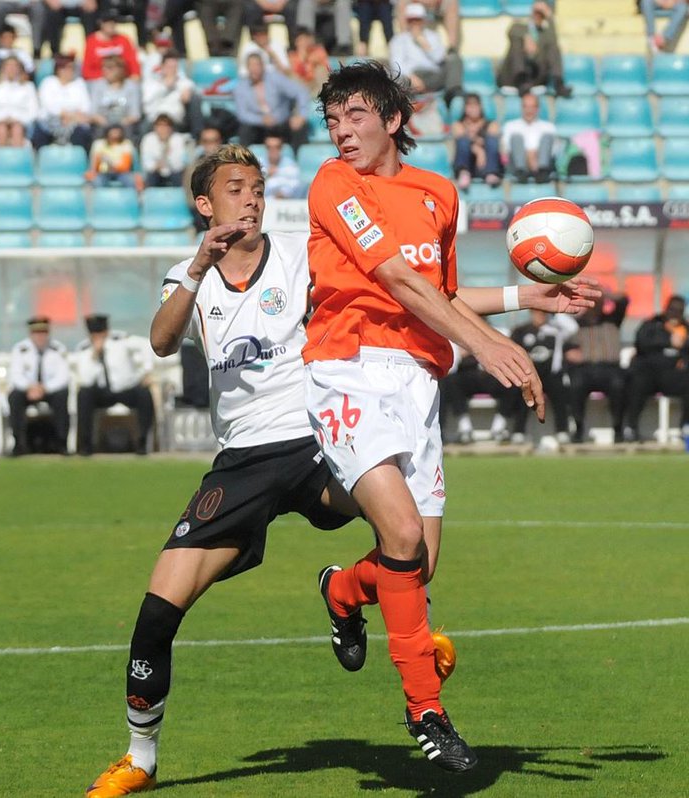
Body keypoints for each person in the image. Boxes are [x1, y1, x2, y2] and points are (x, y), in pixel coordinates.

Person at [83, 142, 593, 795]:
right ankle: (140, 757)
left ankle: (356, 603)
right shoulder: (190, 274)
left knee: (413, 553)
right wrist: (198, 268)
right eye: (236, 188)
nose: (252, 197)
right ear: (204, 202)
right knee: (158, 611)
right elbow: (160, 339)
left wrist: (534, 298)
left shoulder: (304, 249)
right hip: (242, 461)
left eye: (259, 187)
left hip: (320, 435)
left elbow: (422, 291)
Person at [303, 61, 547, 774]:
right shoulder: (332, 185)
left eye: (354, 116)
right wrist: (487, 346)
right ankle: (427, 712)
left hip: (416, 380)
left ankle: (341, 589)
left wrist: (523, 303)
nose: (341, 131)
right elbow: (398, 281)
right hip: (346, 369)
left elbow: (441, 292)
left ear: (394, 120)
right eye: (332, 119)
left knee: (417, 563)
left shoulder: (440, 192)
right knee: (403, 535)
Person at [621, 294, 689, 443]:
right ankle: (630, 427)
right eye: (672, 310)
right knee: (637, 381)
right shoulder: (653, 324)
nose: (675, 314)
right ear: (666, 309)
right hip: (651, 372)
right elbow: (641, 341)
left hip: (675, 375)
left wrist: (684, 345)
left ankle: (688, 426)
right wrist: (667, 340)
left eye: (679, 310)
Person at [75, 313, 155, 456]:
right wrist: (95, 355)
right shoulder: (84, 349)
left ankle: (142, 442)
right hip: (102, 392)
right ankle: (85, 446)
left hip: (126, 389)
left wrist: (147, 371)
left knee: (144, 394)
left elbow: (147, 345)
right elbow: (86, 379)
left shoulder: (121, 340)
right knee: (84, 394)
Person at [567, 289, 629, 444]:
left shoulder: (613, 320)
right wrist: (569, 353)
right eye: (591, 302)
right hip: (585, 369)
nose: (595, 306)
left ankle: (618, 428)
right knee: (575, 385)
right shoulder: (577, 324)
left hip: (610, 369)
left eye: (598, 303)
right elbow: (566, 346)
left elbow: (624, 300)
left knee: (619, 385)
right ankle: (578, 428)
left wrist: (603, 292)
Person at [508, 309, 577, 442]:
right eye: (536, 312)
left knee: (559, 396)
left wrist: (554, 310)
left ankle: (562, 431)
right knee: (524, 397)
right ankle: (518, 431)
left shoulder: (556, 330)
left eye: (542, 312)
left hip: (552, 374)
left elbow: (573, 328)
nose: (539, 315)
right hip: (529, 375)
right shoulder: (521, 331)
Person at [7, 316, 71, 455]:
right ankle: (18, 443)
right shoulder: (20, 349)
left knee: (62, 395)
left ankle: (61, 443)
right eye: (37, 333)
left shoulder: (58, 349)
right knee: (14, 397)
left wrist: (44, 388)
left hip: (49, 389)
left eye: (43, 332)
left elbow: (63, 376)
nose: (40, 336)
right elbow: (15, 375)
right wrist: (30, 387)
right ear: (31, 334)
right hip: (28, 390)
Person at [233, 52, 312, 149]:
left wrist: (301, 115)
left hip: (281, 123)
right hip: (258, 127)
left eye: (257, 64)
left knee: (299, 127)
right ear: (247, 67)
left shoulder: (275, 78)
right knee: (244, 130)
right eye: (251, 65)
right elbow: (242, 114)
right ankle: (243, 160)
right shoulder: (241, 87)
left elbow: (301, 91)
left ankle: (298, 159)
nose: (254, 69)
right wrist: (261, 120)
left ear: (263, 66)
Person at [496, 2, 569, 97]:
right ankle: (520, 78)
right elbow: (511, 32)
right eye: (536, 12)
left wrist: (549, 17)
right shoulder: (519, 26)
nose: (538, 16)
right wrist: (526, 37)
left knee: (553, 47)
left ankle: (558, 82)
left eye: (541, 14)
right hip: (512, 77)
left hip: (535, 76)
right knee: (516, 44)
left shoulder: (545, 34)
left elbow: (553, 40)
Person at [35, 54, 95, 150]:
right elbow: (49, 106)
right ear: (58, 69)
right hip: (51, 120)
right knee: (40, 130)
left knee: (82, 131)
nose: (70, 71)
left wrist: (72, 117)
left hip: (75, 121)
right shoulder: (48, 82)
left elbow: (85, 106)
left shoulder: (79, 83)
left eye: (72, 68)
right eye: (66, 68)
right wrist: (65, 115)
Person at [389, 3, 448, 95]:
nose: (414, 23)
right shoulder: (399, 39)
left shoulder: (433, 36)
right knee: (397, 78)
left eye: (418, 19)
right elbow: (396, 63)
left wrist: (424, 44)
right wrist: (411, 77)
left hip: (431, 74)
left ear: (423, 20)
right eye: (411, 20)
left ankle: (453, 96)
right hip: (411, 75)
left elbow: (439, 59)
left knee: (451, 64)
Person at [500, 92, 557, 183]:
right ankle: (521, 172)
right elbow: (506, 150)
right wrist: (529, 156)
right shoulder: (510, 126)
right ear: (521, 108)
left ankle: (542, 172)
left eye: (532, 107)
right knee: (516, 138)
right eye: (525, 106)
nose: (528, 110)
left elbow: (552, 151)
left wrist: (534, 157)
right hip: (517, 165)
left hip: (540, 163)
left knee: (547, 137)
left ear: (537, 109)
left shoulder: (548, 127)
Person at [0, 54, 39, 147]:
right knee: (1, 130)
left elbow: (34, 111)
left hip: (22, 122)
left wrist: (17, 119)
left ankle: (17, 160)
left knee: (17, 130)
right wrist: (1, 120)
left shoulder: (28, 86)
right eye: (8, 66)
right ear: (3, 68)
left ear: (20, 69)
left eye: (14, 66)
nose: (11, 69)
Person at [451, 93, 502, 190]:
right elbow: (459, 135)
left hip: (485, 163)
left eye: (476, 105)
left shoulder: (491, 124)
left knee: (491, 141)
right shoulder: (458, 124)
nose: (473, 108)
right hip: (469, 163)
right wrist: (478, 150)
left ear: (480, 106)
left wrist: (473, 138)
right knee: (463, 141)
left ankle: (491, 173)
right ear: (465, 108)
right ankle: (463, 172)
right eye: (470, 105)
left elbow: (493, 134)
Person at [141, 51, 199, 131]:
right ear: (162, 67)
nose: (172, 70)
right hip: (154, 121)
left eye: (174, 67)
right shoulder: (151, 84)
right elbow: (147, 103)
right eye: (169, 67)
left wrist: (186, 91)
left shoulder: (183, 82)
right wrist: (165, 87)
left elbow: (187, 95)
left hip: (174, 121)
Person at [89, 54, 143, 140]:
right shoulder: (97, 85)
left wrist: (118, 126)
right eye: (103, 67)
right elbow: (93, 113)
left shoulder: (132, 86)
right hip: (103, 125)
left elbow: (135, 114)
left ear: (120, 69)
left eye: (109, 67)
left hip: (126, 125)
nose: (105, 70)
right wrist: (108, 125)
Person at [83, 11, 142, 82]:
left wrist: (135, 74)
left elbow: (132, 62)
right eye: (107, 22)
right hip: (99, 80)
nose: (111, 25)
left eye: (113, 22)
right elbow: (87, 70)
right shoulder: (91, 41)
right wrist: (108, 75)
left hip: (122, 79)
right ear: (101, 23)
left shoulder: (123, 39)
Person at [139, 113, 190, 188]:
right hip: (155, 172)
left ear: (171, 127)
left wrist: (168, 157)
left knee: (181, 177)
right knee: (150, 177)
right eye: (160, 125)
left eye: (166, 126)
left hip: (174, 172)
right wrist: (157, 166)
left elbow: (180, 164)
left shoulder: (178, 139)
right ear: (155, 127)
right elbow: (147, 163)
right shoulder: (148, 139)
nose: (163, 129)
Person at [89, 124, 141, 188]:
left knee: (131, 181)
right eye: (113, 131)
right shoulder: (99, 144)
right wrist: (93, 172)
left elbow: (125, 166)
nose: (115, 134)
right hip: (103, 173)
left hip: (122, 173)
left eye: (117, 132)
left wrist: (112, 165)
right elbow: (94, 162)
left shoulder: (126, 144)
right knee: (96, 182)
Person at [256, 132, 305, 197]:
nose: (273, 150)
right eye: (269, 147)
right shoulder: (258, 164)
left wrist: (284, 193)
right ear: (265, 148)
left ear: (281, 148)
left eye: (277, 147)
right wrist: (266, 174)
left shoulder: (290, 165)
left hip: (286, 201)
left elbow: (296, 185)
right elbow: (254, 186)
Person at [287, 25, 331, 95]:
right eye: (302, 40)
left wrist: (310, 59)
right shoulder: (293, 56)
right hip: (302, 85)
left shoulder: (318, 50)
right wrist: (303, 56)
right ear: (296, 42)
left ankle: (323, 95)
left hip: (316, 83)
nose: (305, 42)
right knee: (291, 76)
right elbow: (295, 73)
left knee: (321, 70)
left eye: (306, 39)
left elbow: (326, 68)